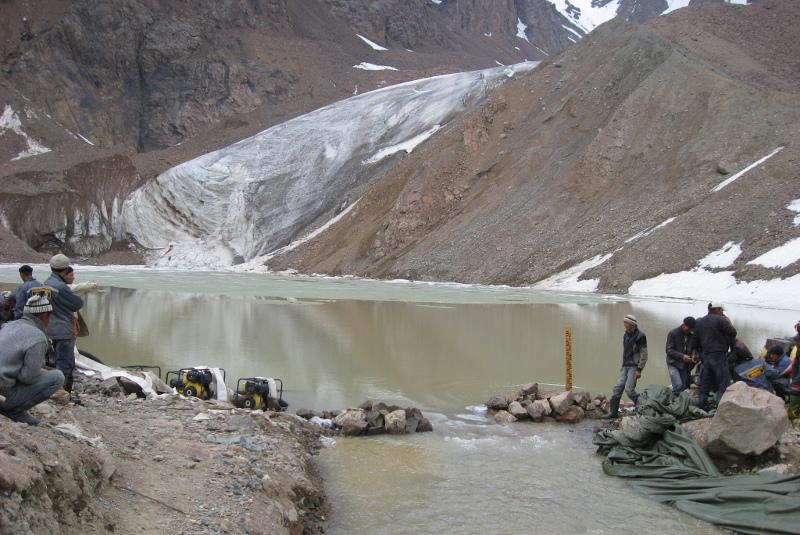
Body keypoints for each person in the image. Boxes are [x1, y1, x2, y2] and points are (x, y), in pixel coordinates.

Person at [0, 292, 65, 425]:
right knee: (57, 377)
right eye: (49, 316)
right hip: (4, 394)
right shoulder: (38, 337)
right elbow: (27, 378)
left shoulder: (8, 325)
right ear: (45, 316)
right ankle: (13, 410)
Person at [44, 254, 83, 399]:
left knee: (53, 362)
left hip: (49, 328)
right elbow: (77, 304)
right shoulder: (61, 287)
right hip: (63, 329)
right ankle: (63, 395)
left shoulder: (47, 283)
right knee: (65, 364)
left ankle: (53, 392)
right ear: (65, 269)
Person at [693, 302, 737, 411]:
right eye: (722, 310)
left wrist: (697, 352)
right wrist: (728, 322)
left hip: (706, 355)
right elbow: (733, 333)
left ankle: (702, 404)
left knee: (706, 379)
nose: (722, 312)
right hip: (718, 354)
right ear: (717, 310)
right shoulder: (721, 320)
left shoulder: (701, 321)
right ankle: (721, 407)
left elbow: (695, 340)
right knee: (723, 380)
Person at [603, 314, 648, 419]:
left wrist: (639, 369)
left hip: (634, 366)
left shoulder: (641, 336)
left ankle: (643, 406)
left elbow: (644, 354)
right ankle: (613, 413)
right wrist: (623, 364)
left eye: (625, 323)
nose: (624, 324)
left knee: (629, 390)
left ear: (632, 324)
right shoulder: (626, 334)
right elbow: (626, 350)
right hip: (626, 365)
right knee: (617, 388)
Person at [665, 317, 695, 393]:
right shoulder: (673, 333)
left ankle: (677, 400)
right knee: (678, 384)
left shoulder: (691, 335)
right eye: (689, 328)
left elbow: (694, 347)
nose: (690, 331)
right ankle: (673, 400)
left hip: (685, 364)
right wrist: (682, 356)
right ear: (684, 325)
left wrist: (694, 355)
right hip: (673, 363)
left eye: (691, 329)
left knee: (684, 386)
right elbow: (668, 350)